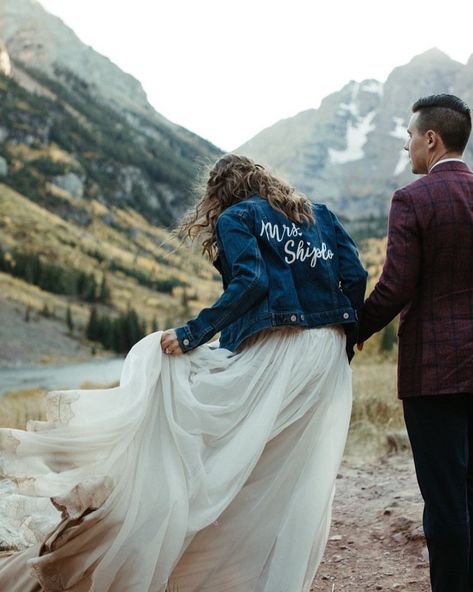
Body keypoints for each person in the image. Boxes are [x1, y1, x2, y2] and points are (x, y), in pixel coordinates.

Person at [0, 154, 367, 592]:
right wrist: (348, 333)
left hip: (281, 348)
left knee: (213, 444)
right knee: (285, 471)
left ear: (218, 193)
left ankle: (189, 558)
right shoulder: (318, 214)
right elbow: (356, 274)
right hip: (328, 354)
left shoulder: (236, 216)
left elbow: (251, 282)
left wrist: (192, 334)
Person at [357, 94, 473, 592]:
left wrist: (353, 330)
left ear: (431, 139)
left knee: (446, 500)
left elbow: (396, 285)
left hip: (434, 373)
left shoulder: (413, 200)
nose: (407, 148)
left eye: (409, 137)